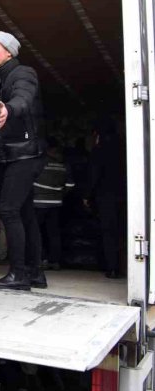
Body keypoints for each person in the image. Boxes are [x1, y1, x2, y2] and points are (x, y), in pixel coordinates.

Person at [0, 31, 47, 291]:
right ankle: (36, 273)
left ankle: (18, 274)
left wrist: (10, 108)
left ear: (9, 52)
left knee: (8, 210)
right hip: (13, 154)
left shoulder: (21, 73)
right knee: (25, 212)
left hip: (25, 153)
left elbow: (23, 97)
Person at [85, 118, 124, 278]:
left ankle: (112, 267)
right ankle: (125, 266)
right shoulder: (124, 148)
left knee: (108, 231)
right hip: (124, 195)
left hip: (106, 195)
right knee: (123, 231)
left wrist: (87, 195)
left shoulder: (99, 150)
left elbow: (94, 174)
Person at [33, 138, 73, 270]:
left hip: (38, 203)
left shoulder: (40, 162)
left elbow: (29, 180)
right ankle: (54, 261)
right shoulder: (64, 164)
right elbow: (70, 185)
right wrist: (59, 194)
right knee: (54, 233)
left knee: (37, 232)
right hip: (56, 203)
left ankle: (39, 259)